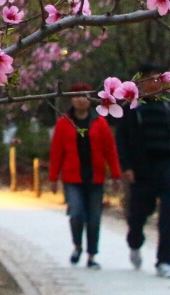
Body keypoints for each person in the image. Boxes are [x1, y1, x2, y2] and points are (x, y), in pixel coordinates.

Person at [115, 63, 170, 279]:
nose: (154, 83)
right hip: (143, 169)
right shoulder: (132, 108)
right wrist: (126, 166)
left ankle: (165, 261)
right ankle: (135, 242)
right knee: (139, 214)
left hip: (167, 167)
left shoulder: (169, 109)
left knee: (169, 215)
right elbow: (122, 140)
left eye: (158, 78)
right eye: (149, 79)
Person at [49, 82, 121, 268]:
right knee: (77, 213)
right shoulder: (64, 123)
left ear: (90, 99)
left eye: (85, 95)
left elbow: (109, 150)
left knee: (94, 218)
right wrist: (53, 177)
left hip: (95, 176)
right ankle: (77, 245)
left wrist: (115, 174)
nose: (81, 99)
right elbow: (56, 152)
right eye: (77, 95)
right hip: (73, 177)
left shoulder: (100, 122)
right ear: (72, 99)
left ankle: (91, 255)